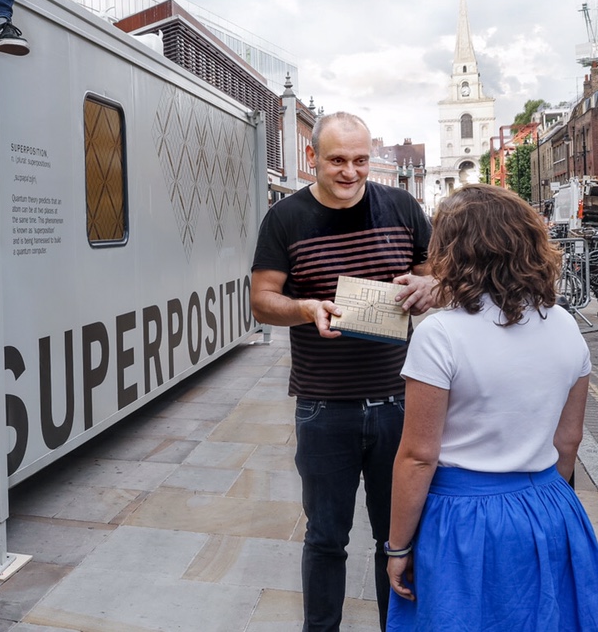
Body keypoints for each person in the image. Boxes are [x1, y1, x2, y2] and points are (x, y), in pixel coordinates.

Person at [251, 111, 439, 632]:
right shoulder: (285, 218)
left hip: (397, 403)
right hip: (321, 405)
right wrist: (307, 307)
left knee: (396, 536)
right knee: (326, 537)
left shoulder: (401, 206)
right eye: (337, 160)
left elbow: (437, 277)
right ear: (312, 158)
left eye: (360, 160)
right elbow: (262, 301)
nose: (351, 172)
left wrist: (430, 289)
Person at [386, 185, 598, 630]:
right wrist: (532, 496)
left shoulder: (440, 334)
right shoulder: (563, 325)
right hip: (549, 506)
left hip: (464, 517)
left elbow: (419, 456)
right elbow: (568, 439)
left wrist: (398, 547)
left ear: (452, 249)